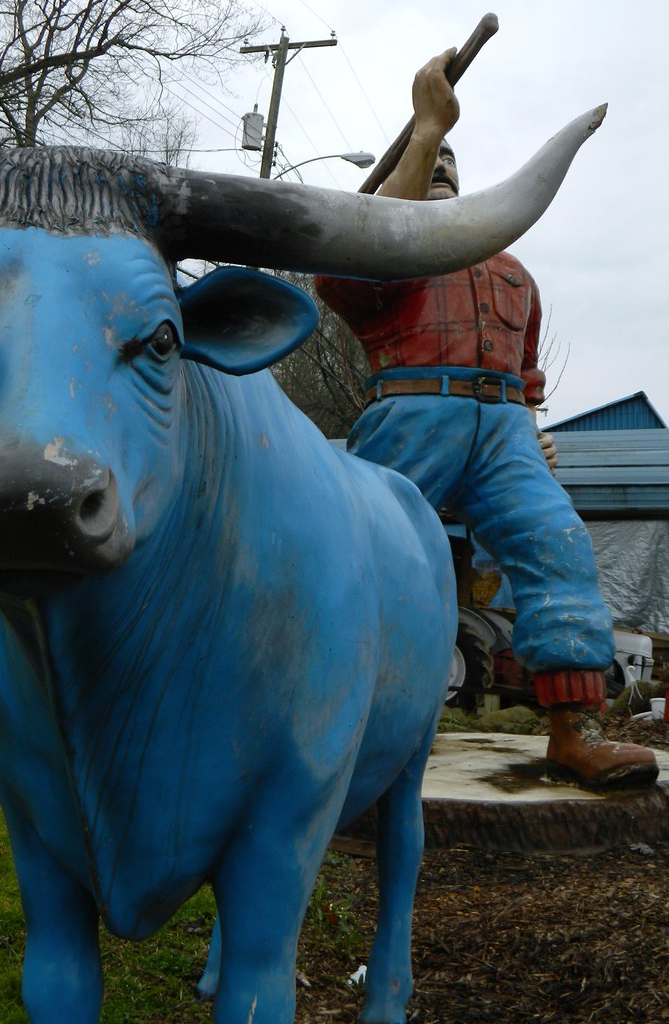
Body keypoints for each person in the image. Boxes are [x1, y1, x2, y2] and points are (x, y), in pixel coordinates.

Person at [315, 49, 658, 789]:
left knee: (558, 545)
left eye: (446, 162)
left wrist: (531, 431)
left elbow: (527, 372)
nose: (440, 168)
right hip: (411, 412)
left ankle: (576, 733)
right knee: (366, 559)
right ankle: (334, 726)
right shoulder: (381, 242)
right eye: (424, 161)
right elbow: (347, 274)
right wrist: (426, 129)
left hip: (504, 429)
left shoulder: (513, 272)